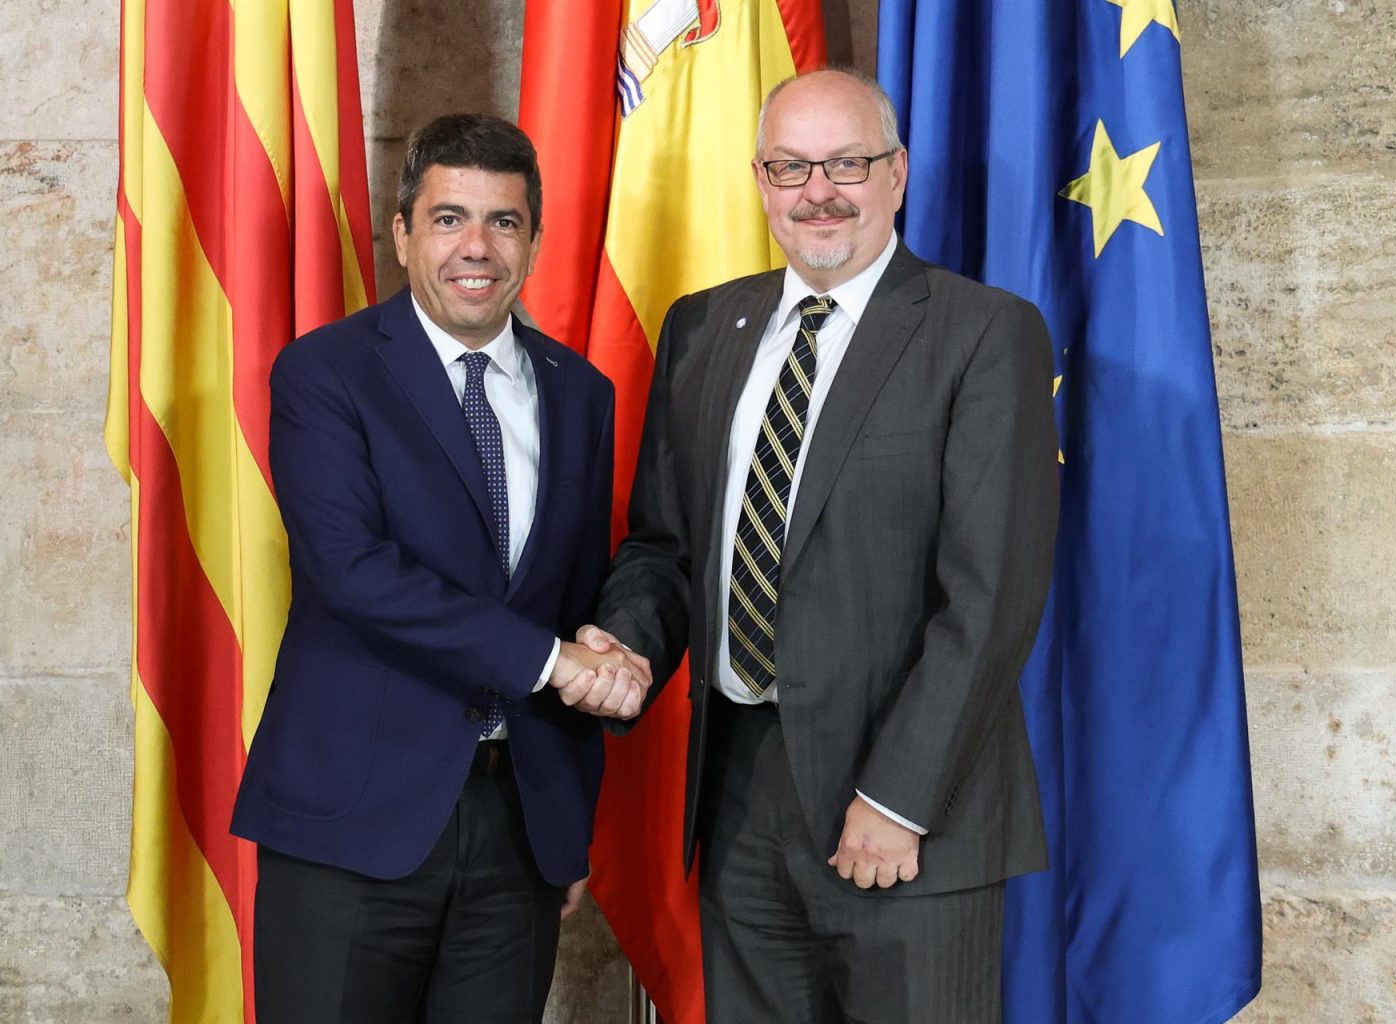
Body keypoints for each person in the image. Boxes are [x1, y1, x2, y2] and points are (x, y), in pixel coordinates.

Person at [579, 69, 1060, 1022]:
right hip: (740, 795)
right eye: (791, 167)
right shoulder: (705, 327)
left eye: (847, 163)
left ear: (897, 174)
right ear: (761, 181)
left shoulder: (982, 331)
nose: (818, 192)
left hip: (911, 809)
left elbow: (990, 599)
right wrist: (628, 641)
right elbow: (667, 546)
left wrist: (899, 799)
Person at [231, 112, 648, 1024]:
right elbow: (352, 570)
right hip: (351, 824)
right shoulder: (326, 373)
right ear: (403, 232)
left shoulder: (582, 393)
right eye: (450, 218)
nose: (477, 248)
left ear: (533, 239)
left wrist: (565, 819)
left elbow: (574, 588)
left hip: (517, 832)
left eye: (504, 222)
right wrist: (555, 662)